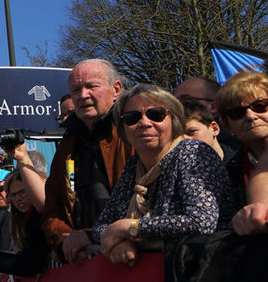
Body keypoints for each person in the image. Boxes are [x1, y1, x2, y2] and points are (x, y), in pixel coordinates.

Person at [94, 84, 235, 265]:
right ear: (122, 128)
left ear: (174, 120)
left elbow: (201, 221)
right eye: (132, 118)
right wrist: (119, 242)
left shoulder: (193, 153)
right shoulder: (133, 167)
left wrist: (132, 229)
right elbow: (103, 226)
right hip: (158, 279)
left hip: (204, 274)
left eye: (156, 115)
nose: (144, 123)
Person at [42, 59, 134, 264]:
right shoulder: (67, 146)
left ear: (116, 89)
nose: (83, 95)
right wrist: (65, 239)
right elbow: (53, 206)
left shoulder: (134, 133)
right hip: (82, 264)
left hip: (131, 257)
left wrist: (92, 235)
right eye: (76, 89)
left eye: (92, 86)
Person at [217, 71, 268, 235]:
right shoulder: (227, 174)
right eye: (237, 113)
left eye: (260, 106)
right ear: (228, 126)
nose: (251, 116)